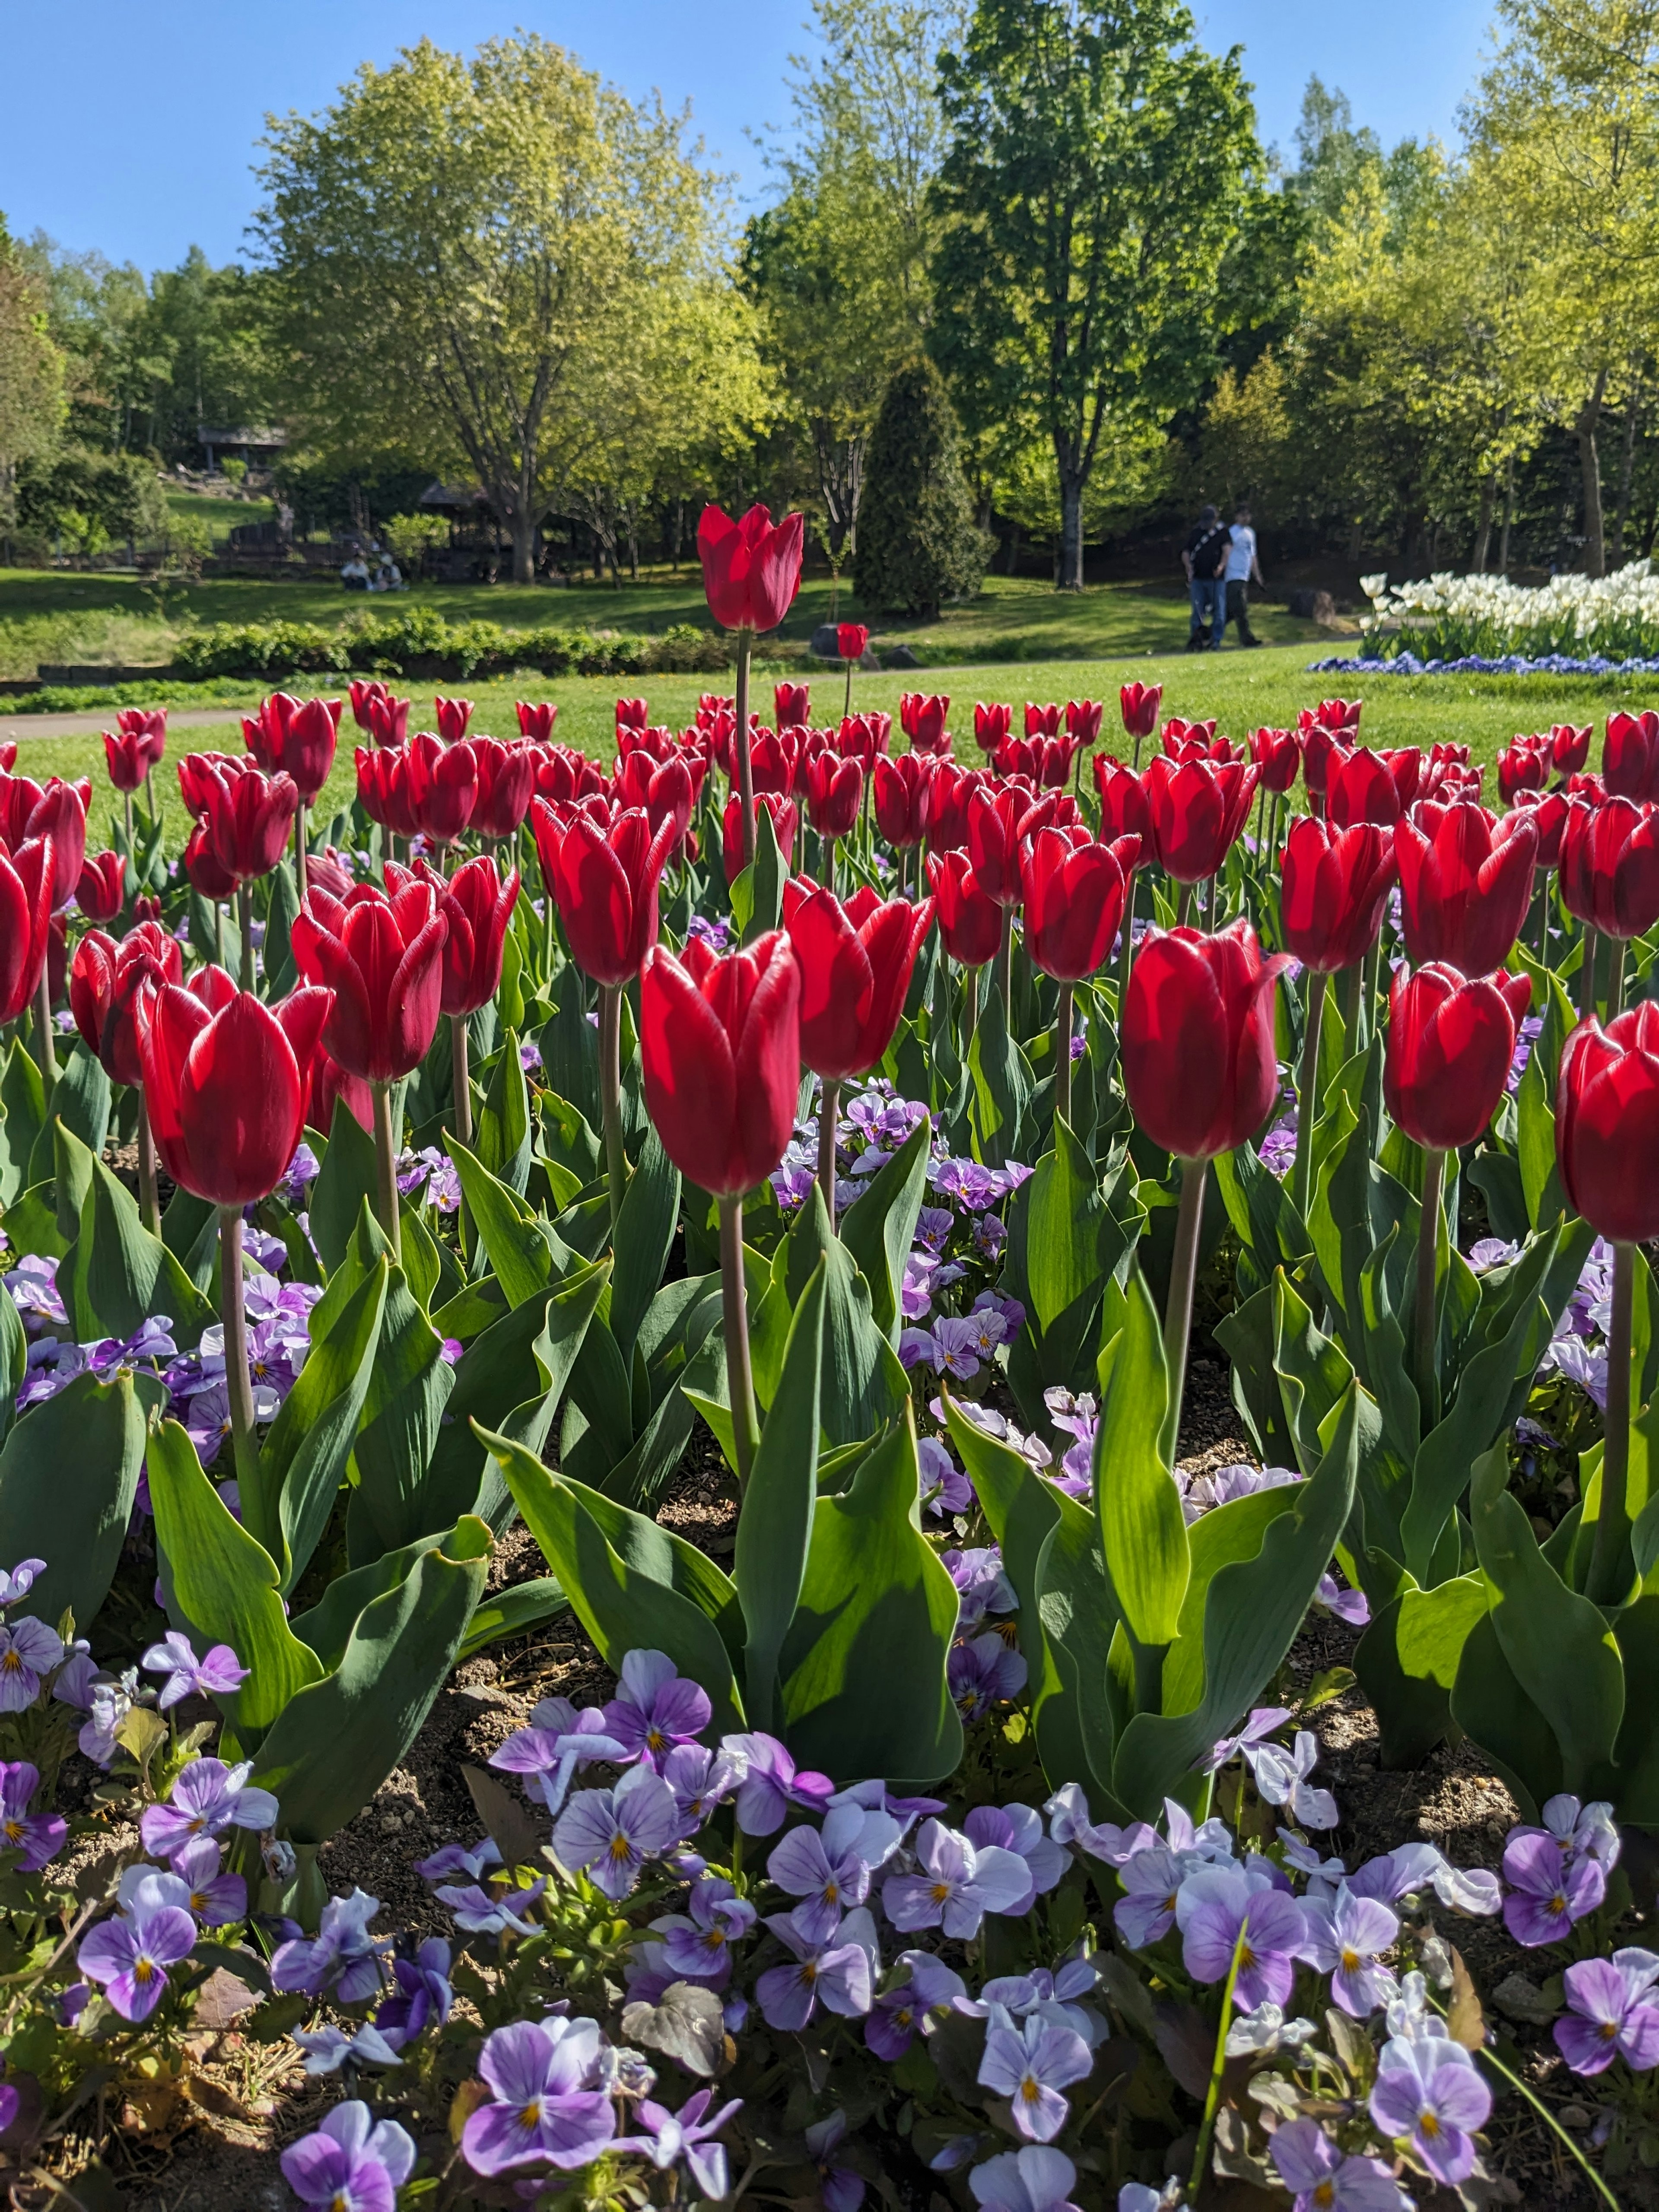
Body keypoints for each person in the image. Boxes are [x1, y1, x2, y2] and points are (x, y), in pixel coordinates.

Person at [1182, 504, 1230, 651]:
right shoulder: (1196, 532)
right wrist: (1188, 567)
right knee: (1197, 612)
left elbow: (1227, 550)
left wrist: (1221, 566)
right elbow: (1186, 552)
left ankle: (1216, 641)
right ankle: (1197, 641)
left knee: (1219, 612)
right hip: (1198, 578)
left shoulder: (1223, 532)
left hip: (1217, 579)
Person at [1222, 503, 1265, 647]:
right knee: (1240, 608)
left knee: (1231, 612)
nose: (1246, 518)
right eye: (1242, 515)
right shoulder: (1231, 532)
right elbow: (1226, 552)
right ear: (1236, 517)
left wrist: (1257, 575)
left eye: (1247, 515)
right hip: (1233, 575)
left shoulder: (1250, 533)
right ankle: (1247, 639)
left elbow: (1253, 556)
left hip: (1244, 575)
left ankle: (1209, 634)